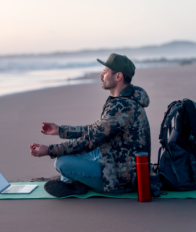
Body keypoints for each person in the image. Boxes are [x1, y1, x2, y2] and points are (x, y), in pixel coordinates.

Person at [29, 53, 151, 197]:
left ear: (118, 76)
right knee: (72, 146)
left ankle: (76, 183)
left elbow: (89, 141)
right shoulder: (127, 99)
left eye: (105, 72)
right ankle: (75, 183)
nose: (101, 75)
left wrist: (49, 150)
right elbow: (96, 130)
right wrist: (61, 130)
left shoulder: (122, 107)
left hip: (119, 178)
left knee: (62, 161)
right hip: (117, 159)